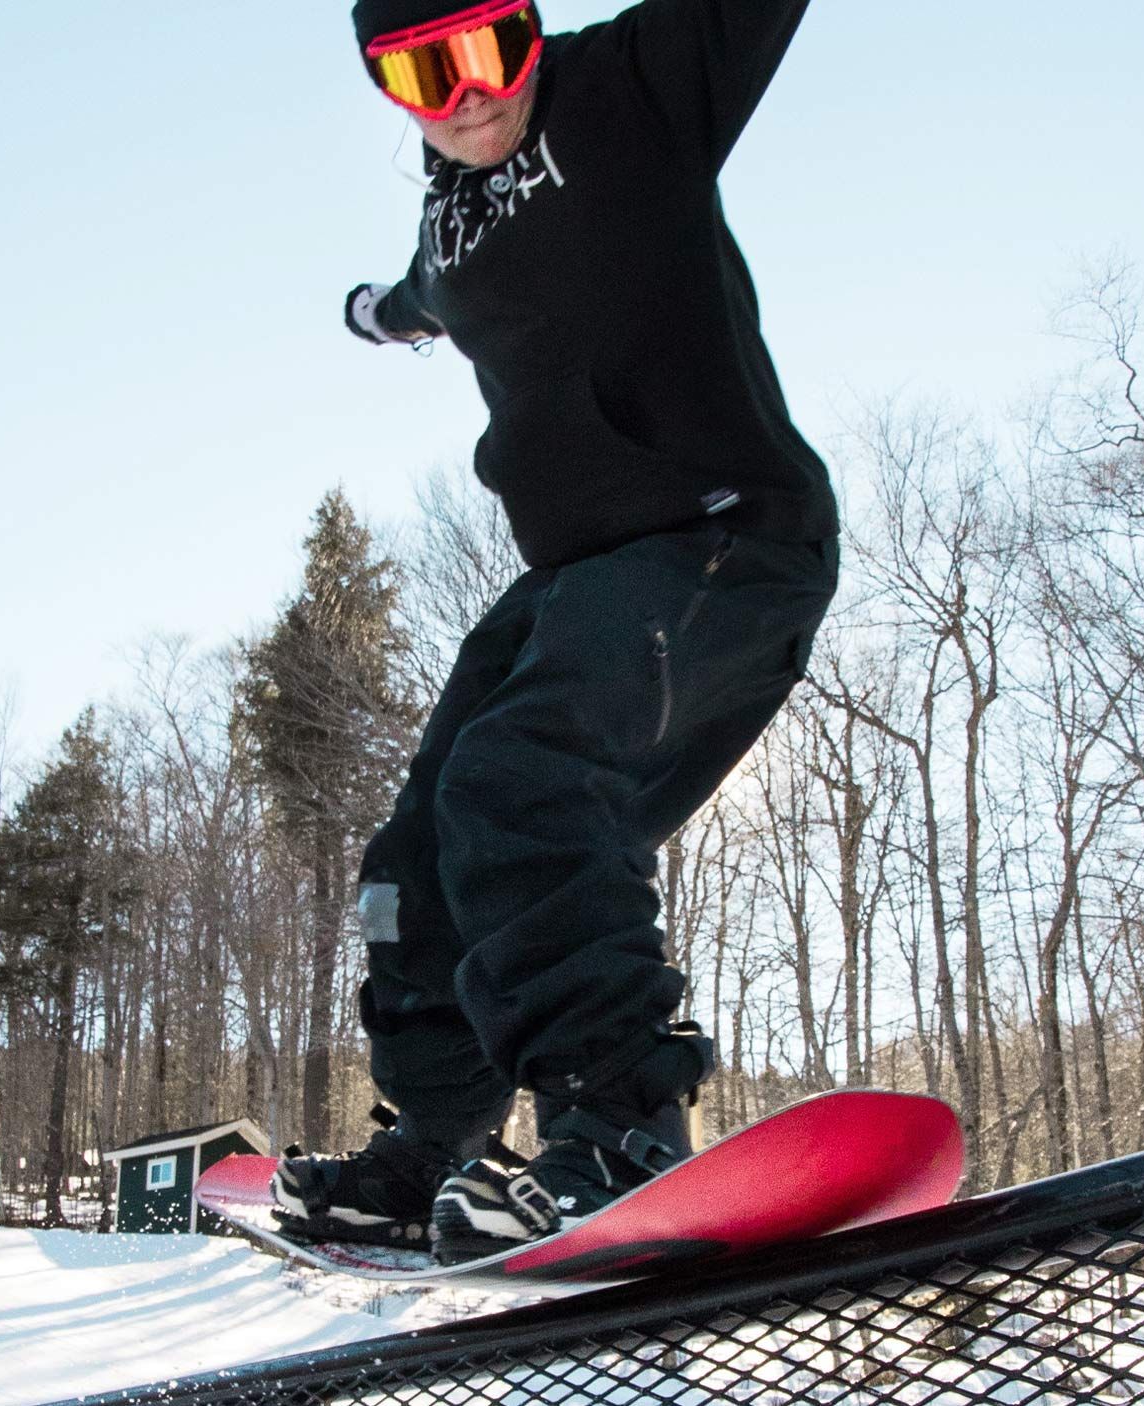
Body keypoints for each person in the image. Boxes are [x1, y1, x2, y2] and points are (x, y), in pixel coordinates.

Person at [274, 0, 839, 1264]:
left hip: (726, 537)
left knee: (522, 778)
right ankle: (437, 1140)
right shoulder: (445, 209)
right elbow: (428, 288)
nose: (469, 94)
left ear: (532, 29)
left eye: (493, 51)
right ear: (389, 84)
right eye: (426, 72)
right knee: (413, 854)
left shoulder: (637, 86)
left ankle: (622, 1118)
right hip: (577, 575)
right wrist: (377, 313)